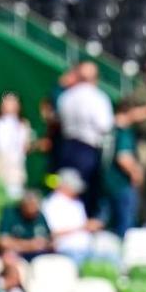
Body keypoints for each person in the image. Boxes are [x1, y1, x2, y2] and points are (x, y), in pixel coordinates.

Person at [57, 61, 116, 217]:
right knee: (85, 194)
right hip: (87, 149)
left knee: (66, 189)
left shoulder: (66, 97)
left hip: (67, 147)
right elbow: (105, 125)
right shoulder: (98, 98)